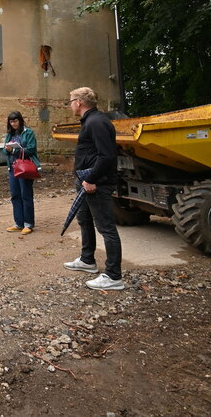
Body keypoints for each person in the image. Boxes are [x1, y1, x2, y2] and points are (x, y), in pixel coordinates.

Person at [62, 87, 123, 290]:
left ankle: (114, 276)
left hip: (96, 183)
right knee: (84, 219)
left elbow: (107, 156)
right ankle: (88, 260)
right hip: (87, 181)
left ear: (79, 102)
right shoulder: (91, 120)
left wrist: (92, 179)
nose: (70, 104)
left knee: (106, 228)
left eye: (70, 101)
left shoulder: (97, 121)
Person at [3, 111, 40, 235]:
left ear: (20, 120)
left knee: (26, 195)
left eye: (15, 121)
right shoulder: (10, 134)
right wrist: (7, 149)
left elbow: (31, 149)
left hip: (25, 168)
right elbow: (5, 151)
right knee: (15, 195)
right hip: (12, 168)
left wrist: (14, 150)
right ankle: (19, 223)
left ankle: (28, 224)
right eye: (11, 121)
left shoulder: (28, 132)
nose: (13, 124)